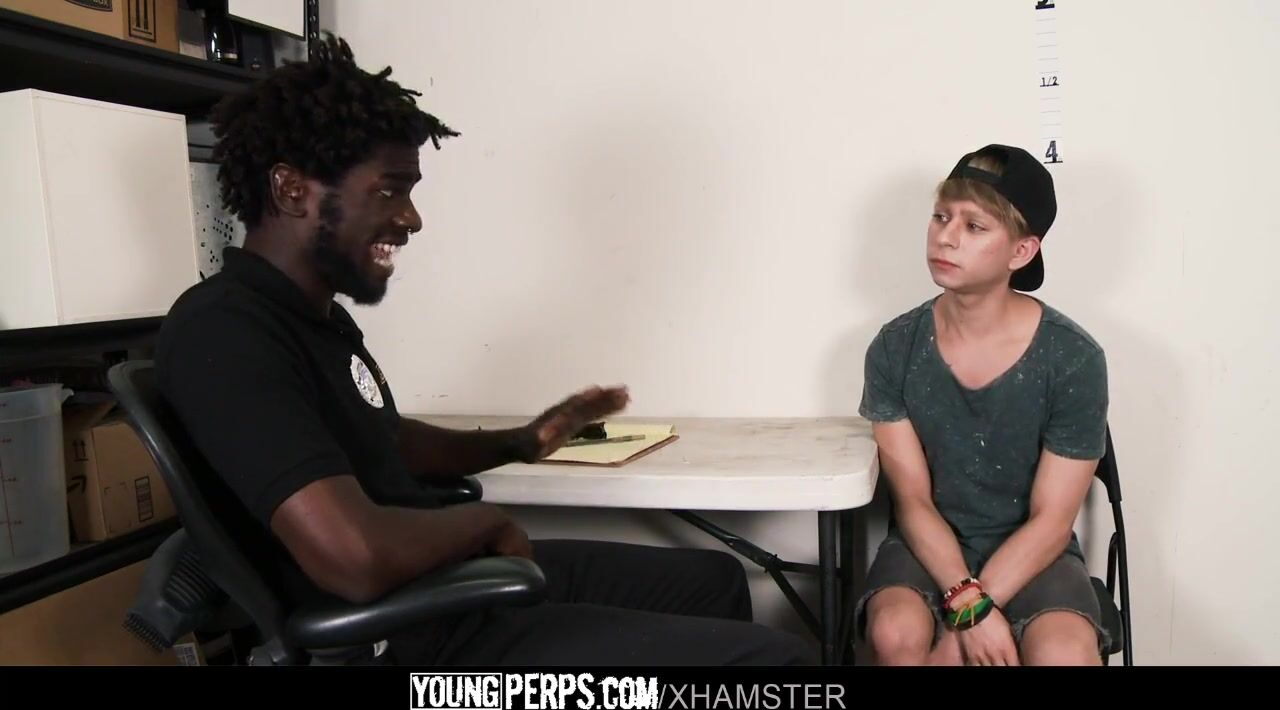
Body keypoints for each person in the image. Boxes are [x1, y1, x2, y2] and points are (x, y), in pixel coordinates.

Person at [154, 34, 812, 666]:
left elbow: (382, 440)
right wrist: (484, 525)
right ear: (292, 189)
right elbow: (354, 557)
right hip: (417, 644)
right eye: (389, 190)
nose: (411, 218)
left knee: (713, 582)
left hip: (447, 591)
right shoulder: (226, 332)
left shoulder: (312, 319)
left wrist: (519, 442)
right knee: (777, 664)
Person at [853, 144, 1109, 666]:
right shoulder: (894, 348)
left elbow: (1052, 521)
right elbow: (913, 502)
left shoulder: (1073, 357)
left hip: (1035, 551)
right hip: (929, 545)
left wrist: (969, 616)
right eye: (941, 217)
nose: (946, 236)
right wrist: (966, 601)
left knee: (1064, 654)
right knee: (895, 633)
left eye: (974, 226)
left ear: (1022, 251)